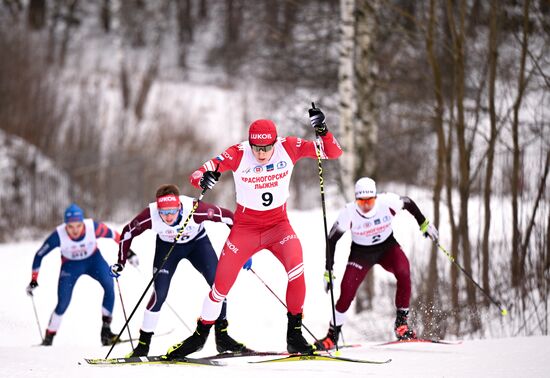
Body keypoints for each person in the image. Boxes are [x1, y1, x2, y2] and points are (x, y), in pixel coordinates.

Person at [165, 105, 343, 359]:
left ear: (275, 142)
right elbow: (198, 174)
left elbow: (333, 152)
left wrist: (322, 130)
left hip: (278, 226)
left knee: (296, 266)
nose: (261, 154)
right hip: (245, 229)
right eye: (257, 148)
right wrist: (204, 178)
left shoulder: (289, 146)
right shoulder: (238, 153)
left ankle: (294, 335)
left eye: (266, 148)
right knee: (221, 286)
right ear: (250, 144)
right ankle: (199, 336)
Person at [111, 184, 250, 357]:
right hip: (167, 248)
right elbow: (127, 233)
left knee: (218, 284)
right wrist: (121, 262)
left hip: (198, 244)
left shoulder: (196, 209)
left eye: (172, 212)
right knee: (159, 294)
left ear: (180, 207)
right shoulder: (150, 215)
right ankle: (143, 345)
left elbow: (230, 218)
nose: (168, 217)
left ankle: (222, 337)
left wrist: (242, 249)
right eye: (163, 213)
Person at [314, 177, 439, 350]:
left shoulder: (387, 201)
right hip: (361, 253)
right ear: (356, 199)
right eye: (361, 201)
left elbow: (408, 203)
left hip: (387, 248)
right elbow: (332, 239)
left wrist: (423, 223)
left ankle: (401, 325)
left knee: (404, 271)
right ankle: (332, 336)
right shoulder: (349, 212)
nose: (366, 205)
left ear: (375, 197)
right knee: (347, 291)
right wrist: (329, 270)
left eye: (370, 200)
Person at [26, 203, 121, 346]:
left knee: (109, 284)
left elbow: (115, 235)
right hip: (71, 266)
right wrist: (34, 280)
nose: (75, 230)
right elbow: (39, 255)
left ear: (82, 222)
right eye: (70, 227)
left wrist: (129, 253)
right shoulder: (58, 235)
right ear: (65, 226)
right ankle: (49, 337)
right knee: (63, 302)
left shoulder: (92, 227)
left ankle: (106, 332)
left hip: (94, 260)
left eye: (78, 225)